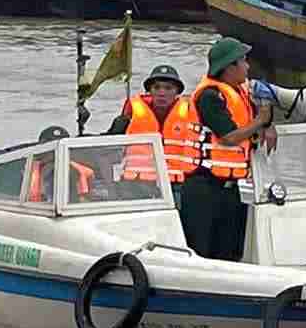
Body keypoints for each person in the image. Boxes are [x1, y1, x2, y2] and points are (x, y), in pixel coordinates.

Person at [164, 37, 275, 261]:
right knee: (201, 253)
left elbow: (252, 122)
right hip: (203, 189)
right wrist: (260, 120)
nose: (247, 66)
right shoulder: (209, 97)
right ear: (229, 67)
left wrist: (268, 124)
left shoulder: (239, 93)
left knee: (229, 252)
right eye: (243, 61)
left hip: (229, 188)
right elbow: (229, 138)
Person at [106, 64, 186, 193]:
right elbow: (108, 145)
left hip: (176, 185)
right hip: (136, 184)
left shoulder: (189, 114)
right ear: (149, 91)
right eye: (156, 88)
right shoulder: (130, 115)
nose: (162, 93)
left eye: (168, 88)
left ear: (177, 92)